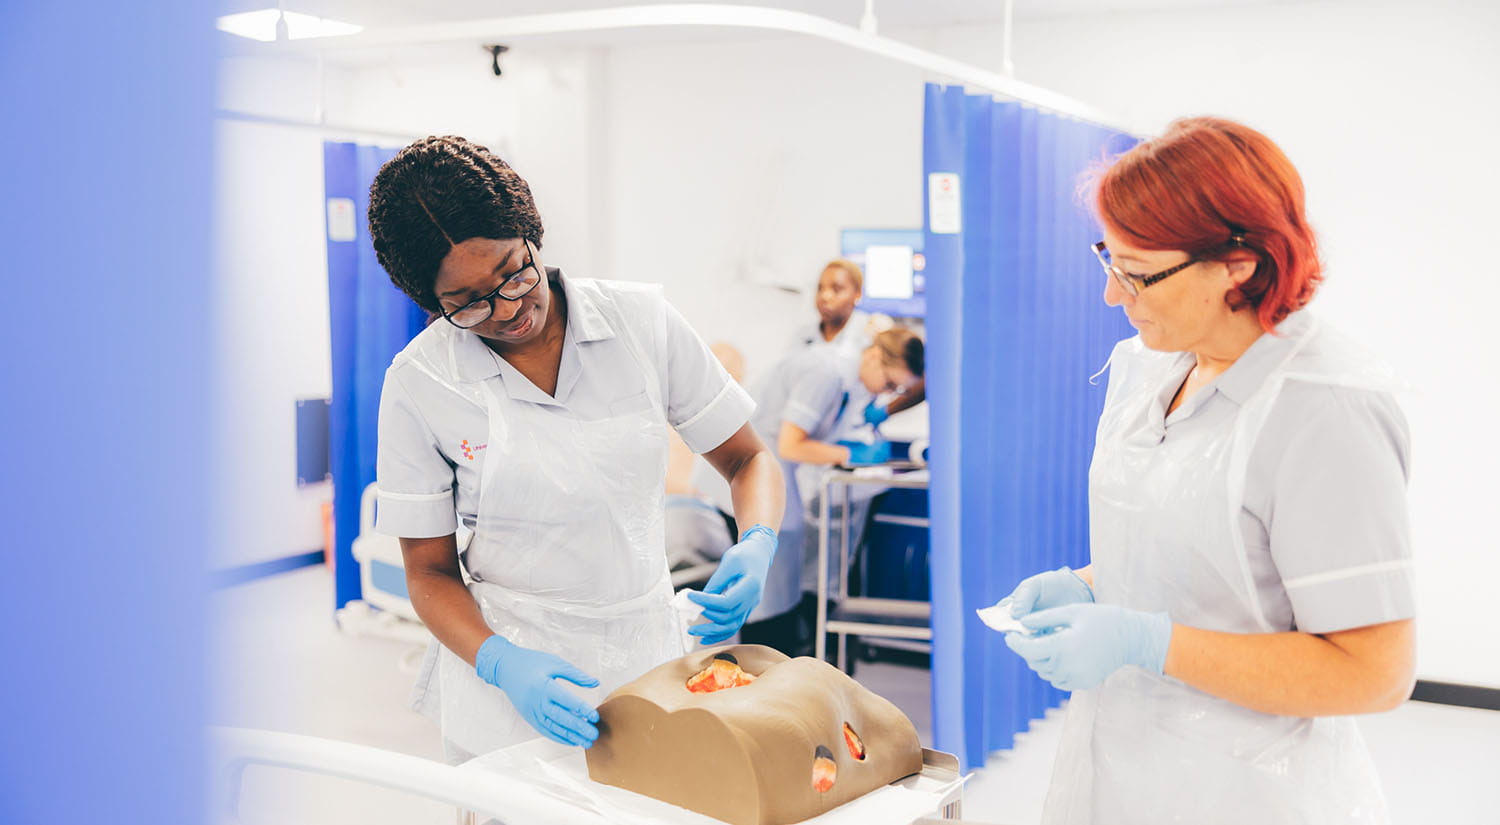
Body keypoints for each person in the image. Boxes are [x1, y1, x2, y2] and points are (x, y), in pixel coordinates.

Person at [998, 117, 1415, 823]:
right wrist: (1091, 582)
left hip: (1248, 790)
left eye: (1136, 274)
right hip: (1116, 765)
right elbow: (1210, 550)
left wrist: (1147, 641)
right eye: (1110, 261)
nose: (1111, 297)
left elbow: (1374, 671)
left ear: (1238, 265)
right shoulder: (1151, 364)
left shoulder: (1325, 409)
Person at [367, 136, 785, 763]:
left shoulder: (640, 321)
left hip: (649, 666)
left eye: (514, 271)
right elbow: (427, 572)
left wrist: (756, 544)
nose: (508, 308)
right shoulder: (420, 382)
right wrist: (501, 662)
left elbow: (747, 458)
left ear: (531, 233)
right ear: (432, 302)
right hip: (505, 694)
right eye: (469, 303)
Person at [738, 327, 925, 654]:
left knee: (781, 583)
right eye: (891, 384)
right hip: (752, 472)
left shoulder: (852, 381)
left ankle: (773, 665)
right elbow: (791, 445)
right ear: (874, 356)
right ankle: (756, 667)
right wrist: (848, 455)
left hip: (773, 474)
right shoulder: (826, 373)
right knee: (768, 589)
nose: (887, 393)